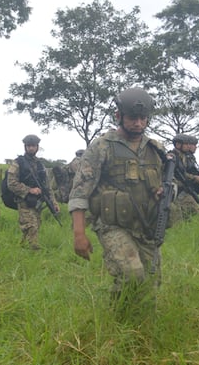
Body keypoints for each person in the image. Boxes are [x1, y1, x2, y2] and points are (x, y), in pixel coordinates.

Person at [68, 87, 171, 321]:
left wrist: (166, 191)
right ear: (119, 116)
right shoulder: (102, 146)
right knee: (132, 274)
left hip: (148, 225)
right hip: (112, 225)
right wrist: (79, 234)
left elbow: (169, 183)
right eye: (133, 118)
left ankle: (141, 330)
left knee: (151, 284)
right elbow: (80, 191)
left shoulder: (156, 149)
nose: (138, 123)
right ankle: (117, 322)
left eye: (143, 118)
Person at [6, 134, 59, 250]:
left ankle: (23, 250)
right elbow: (11, 183)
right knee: (31, 226)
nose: (31, 148)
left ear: (37, 147)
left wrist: (54, 202)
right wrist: (29, 190)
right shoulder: (18, 163)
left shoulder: (40, 165)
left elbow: (48, 187)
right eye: (29, 146)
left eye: (33, 146)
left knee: (36, 225)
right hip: (24, 201)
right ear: (25, 147)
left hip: (37, 202)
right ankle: (35, 251)